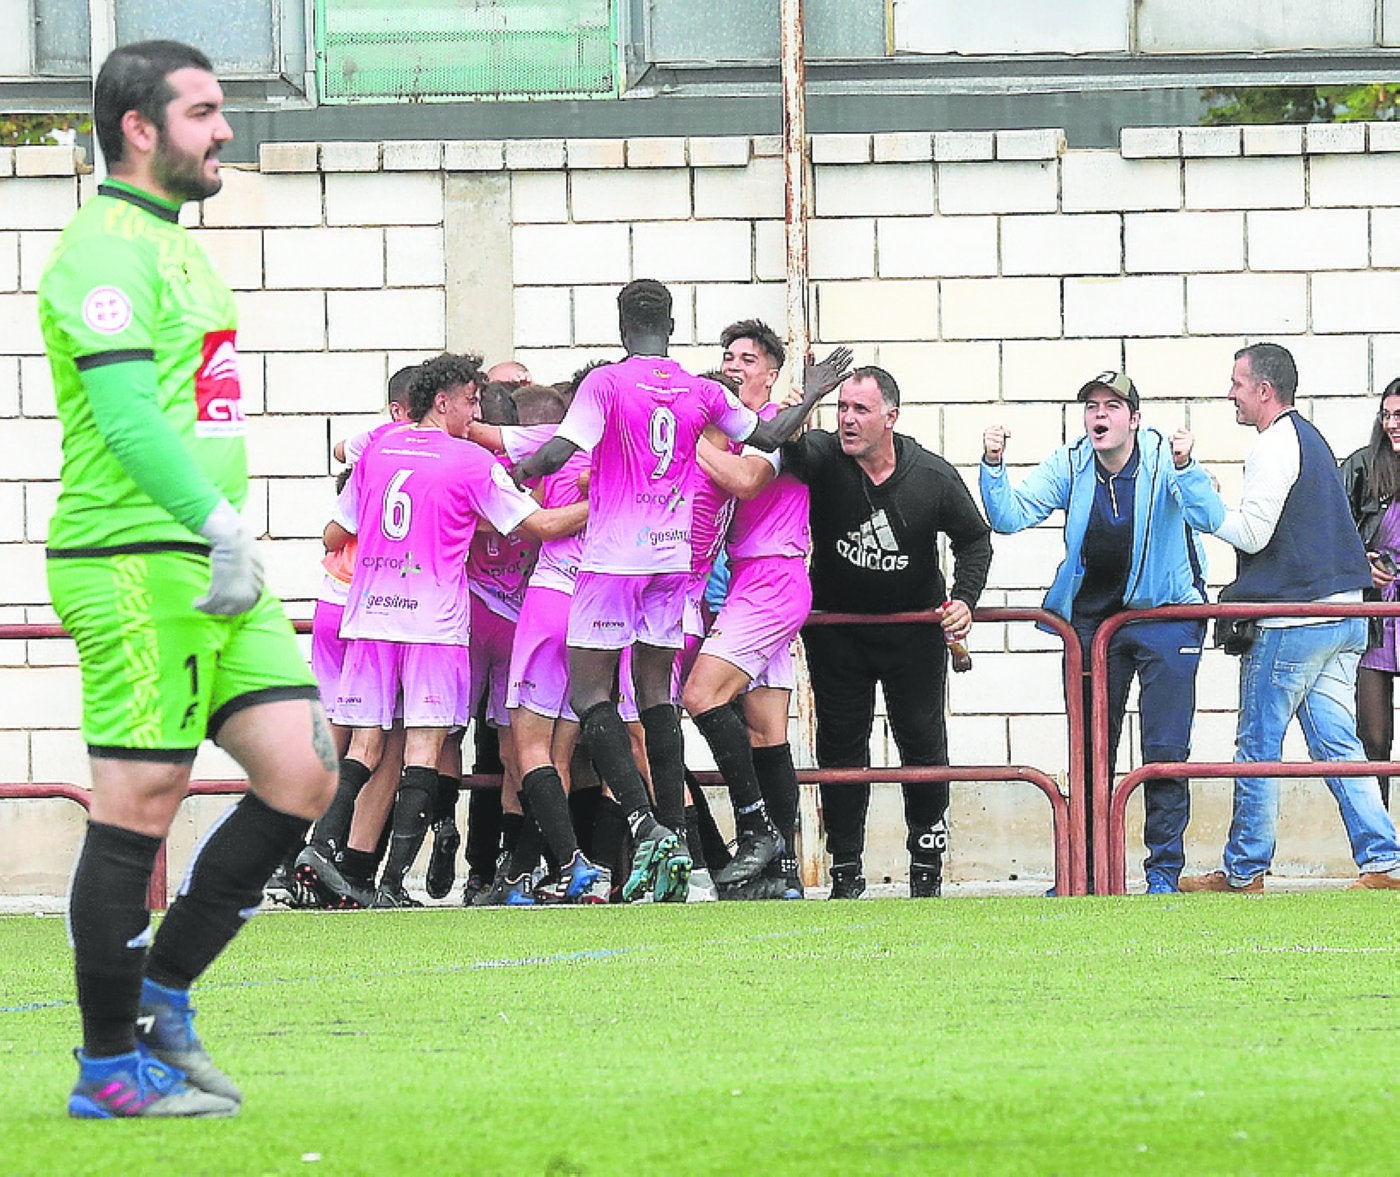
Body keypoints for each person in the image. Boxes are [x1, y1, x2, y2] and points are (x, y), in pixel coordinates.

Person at [38, 40, 337, 1118]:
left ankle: (167, 997)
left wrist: (225, 534)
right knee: (142, 797)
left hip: (212, 557)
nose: (224, 131)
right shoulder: (100, 252)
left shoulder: (181, 250)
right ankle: (109, 1070)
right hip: (130, 555)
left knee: (304, 771)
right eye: (205, 112)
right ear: (140, 126)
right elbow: (122, 417)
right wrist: (214, 521)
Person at [513, 279, 850, 903]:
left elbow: (565, 445)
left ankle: (648, 827)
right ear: (673, 322)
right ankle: (678, 830)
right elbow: (771, 439)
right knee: (655, 700)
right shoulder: (700, 391)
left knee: (592, 696)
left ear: (621, 324)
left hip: (615, 557)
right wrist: (815, 394)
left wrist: (524, 469)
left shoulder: (608, 383)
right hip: (675, 567)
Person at [302, 354, 583, 908]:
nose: (475, 412)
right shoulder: (468, 462)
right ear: (443, 401)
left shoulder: (379, 448)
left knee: (364, 742)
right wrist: (604, 507)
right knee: (423, 747)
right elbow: (541, 525)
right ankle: (387, 885)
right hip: (431, 620)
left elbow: (335, 531)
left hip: (371, 612)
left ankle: (326, 851)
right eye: (471, 401)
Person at [980, 372, 1225, 894]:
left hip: (1166, 616)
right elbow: (1008, 516)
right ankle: (1087, 872)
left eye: (1113, 406)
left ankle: (1163, 874)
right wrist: (994, 466)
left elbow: (1210, 516)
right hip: (1093, 624)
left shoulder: (1164, 459)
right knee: (1091, 751)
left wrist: (1188, 468)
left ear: (1134, 419)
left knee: (1164, 753)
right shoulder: (1071, 462)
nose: (1099, 415)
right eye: (1092, 406)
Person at [1181, 343, 1400, 892]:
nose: (1229, 392)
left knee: (1257, 745)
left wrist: (1195, 492)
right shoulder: (1310, 438)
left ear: (1263, 390)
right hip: (1345, 614)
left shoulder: (1273, 444)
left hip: (1294, 622)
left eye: (1236, 383)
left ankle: (1244, 871)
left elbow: (1253, 532)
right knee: (1338, 745)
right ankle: (1384, 862)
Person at [782, 366, 992, 899]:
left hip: (913, 632)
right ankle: (845, 872)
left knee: (922, 745)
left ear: (890, 418)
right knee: (841, 750)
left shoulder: (932, 476)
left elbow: (975, 541)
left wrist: (964, 601)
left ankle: (926, 872)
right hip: (837, 631)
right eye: (843, 409)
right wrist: (808, 396)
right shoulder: (825, 456)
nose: (847, 420)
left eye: (861, 410)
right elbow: (779, 442)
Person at [682, 320, 809, 899]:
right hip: (752, 583)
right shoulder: (739, 427)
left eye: (748, 359)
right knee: (766, 733)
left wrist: (688, 440)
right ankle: (779, 873)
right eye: (728, 356)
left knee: (699, 695)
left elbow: (745, 480)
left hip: (771, 581)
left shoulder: (778, 424)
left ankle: (755, 831)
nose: (734, 366)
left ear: (772, 373)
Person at [1340, 376, 1400, 810]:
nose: (1393, 424)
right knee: (1374, 737)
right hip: (1375, 616)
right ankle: (1380, 854)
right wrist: (1361, 563)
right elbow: (1333, 532)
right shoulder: (1363, 466)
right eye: (1387, 415)